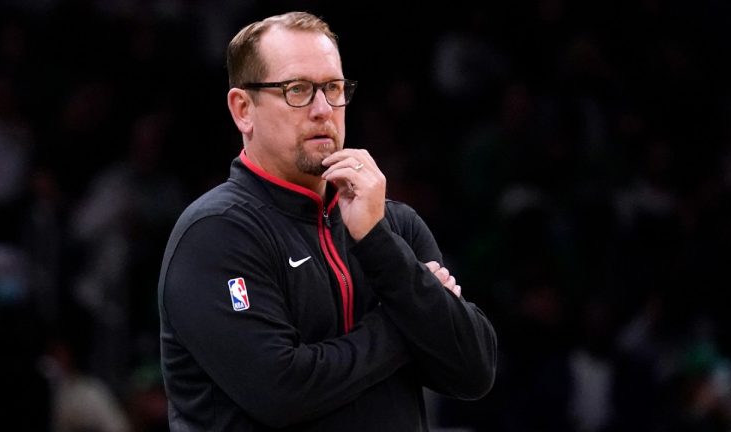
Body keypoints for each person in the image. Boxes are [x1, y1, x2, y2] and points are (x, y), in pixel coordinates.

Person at [158, 11, 497, 431]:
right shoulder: (215, 233)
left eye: (334, 88)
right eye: (297, 89)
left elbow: (474, 371)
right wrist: (404, 319)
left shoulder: (395, 226)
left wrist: (376, 241)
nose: (323, 110)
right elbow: (282, 392)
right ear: (243, 109)